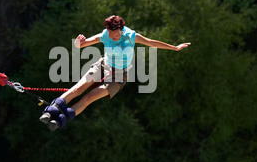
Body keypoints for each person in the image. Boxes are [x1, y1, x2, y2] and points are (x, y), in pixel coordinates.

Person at [39, 15, 191, 131]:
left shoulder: (131, 36)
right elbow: (81, 46)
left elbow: (152, 42)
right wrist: (78, 42)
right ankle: (51, 110)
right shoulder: (105, 35)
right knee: (79, 87)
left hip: (118, 76)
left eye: (116, 35)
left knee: (89, 97)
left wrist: (175, 48)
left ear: (121, 29)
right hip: (103, 65)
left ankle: (60, 121)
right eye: (111, 35)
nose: (113, 38)